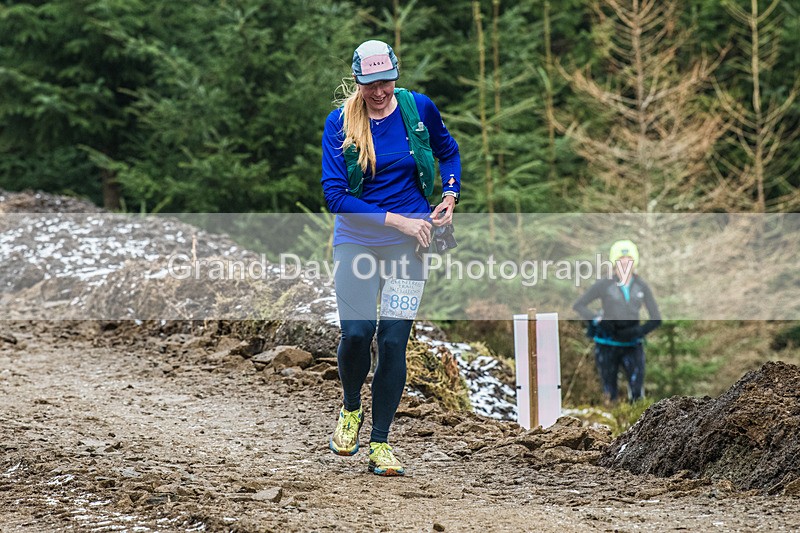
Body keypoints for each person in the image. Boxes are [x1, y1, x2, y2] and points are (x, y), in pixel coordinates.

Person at [320, 40, 461, 476]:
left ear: (395, 77)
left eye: (385, 82)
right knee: (358, 334)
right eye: (369, 84)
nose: (378, 92)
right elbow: (334, 195)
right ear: (357, 82)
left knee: (395, 340)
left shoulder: (418, 108)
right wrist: (396, 221)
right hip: (357, 243)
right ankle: (350, 409)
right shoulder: (340, 122)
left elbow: (449, 151)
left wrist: (450, 193)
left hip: (410, 248)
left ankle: (380, 442)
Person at [573, 240, 661, 403]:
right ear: (614, 263)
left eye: (629, 259)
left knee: (637, 395)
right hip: (607, 344)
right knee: (609, 393)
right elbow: (579, 305)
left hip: (633, 345)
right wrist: (597, 320)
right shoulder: (604, 285)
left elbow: (656, 318)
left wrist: (638, 331)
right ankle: (610, 425)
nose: (625, 263)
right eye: (621, 259)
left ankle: (636, 425)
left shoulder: (642, 286)